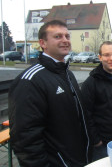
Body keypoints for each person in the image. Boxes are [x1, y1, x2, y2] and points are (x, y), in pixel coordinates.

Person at [8, 20, 91, 166]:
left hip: (76, 159)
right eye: (58, 37)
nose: (65, 40)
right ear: (43, 43)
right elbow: (25, 138)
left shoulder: (67, 74)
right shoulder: (30, 81)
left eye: (67, 36)